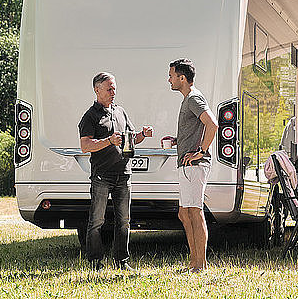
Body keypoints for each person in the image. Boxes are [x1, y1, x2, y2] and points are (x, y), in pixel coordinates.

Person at [79, 72, 153, 271]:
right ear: (97, 90)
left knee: (124, 221)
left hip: (123, 174)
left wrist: (142, 135)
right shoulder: (90, 116)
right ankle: (96, 262)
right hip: (102, 176)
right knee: (97, 221)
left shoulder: (120, 111)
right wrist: (108, 141)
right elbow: (85, 146)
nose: (113, 92)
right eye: (109, 89)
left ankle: (122, 261)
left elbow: (130, 138)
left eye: (114, 88)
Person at [164, 58, 218, 273]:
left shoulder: (194, 98)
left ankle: (200, 264)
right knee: (184, 214)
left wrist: (200, 152)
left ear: (182, 78)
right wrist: (179, 141)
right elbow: (196, 128)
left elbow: (212, 124)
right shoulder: (187, 100)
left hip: (195, 165)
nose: (169, 79)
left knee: (195, 212)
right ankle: (194, 262)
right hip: (186, 164)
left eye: (171, 75)